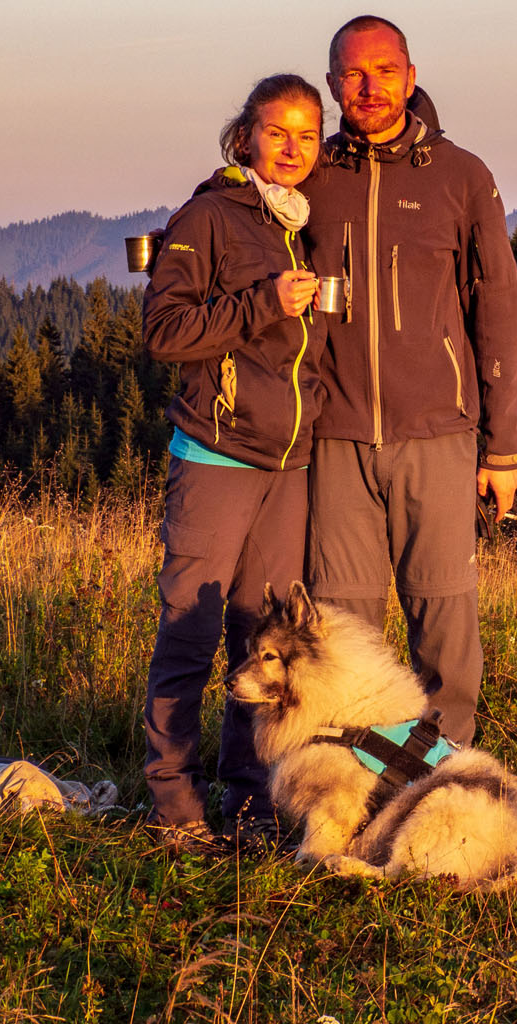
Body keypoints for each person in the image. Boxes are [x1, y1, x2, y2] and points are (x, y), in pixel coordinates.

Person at [300, 15, 517, 745]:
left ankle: (443, 770)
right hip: (333, 435)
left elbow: (498, 312)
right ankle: (353, 773)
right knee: (342, 621)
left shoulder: (462, 176)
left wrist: (505, 449)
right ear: (333, 83)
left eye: (384, 71)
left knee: (443, 617)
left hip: (438, 433)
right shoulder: (312, 174)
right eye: (353, 75)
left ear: (411, 74)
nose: (369, 87)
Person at [140, 73, 328, 851]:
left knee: (263, 640)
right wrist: (266, 303)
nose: (291, 148)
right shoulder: (210, 216)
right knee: (191, 630)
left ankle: (250, 804)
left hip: (288, 464)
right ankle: (174, 806)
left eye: (307, 135)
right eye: (276, 131)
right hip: (216, 455)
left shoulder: (302, 225)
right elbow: (166, 331)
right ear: (245, 135)